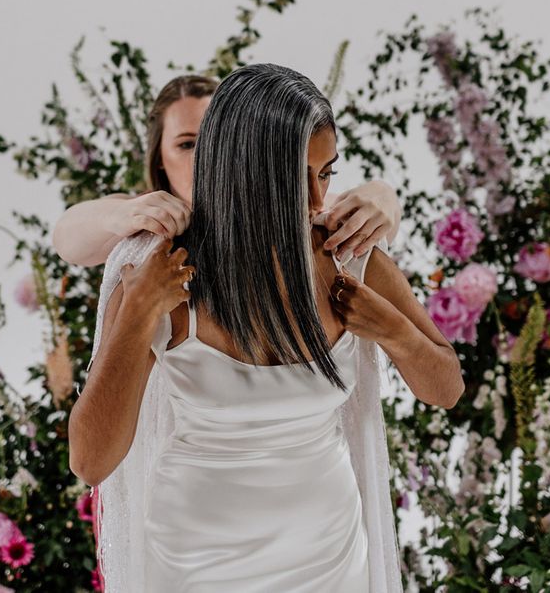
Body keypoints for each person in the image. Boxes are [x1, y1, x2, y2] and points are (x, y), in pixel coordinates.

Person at [68, 64, 464, 592]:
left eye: (326, 174)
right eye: (296, 178)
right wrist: (138, 312)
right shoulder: (163, 271)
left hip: (331, 560)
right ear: (242, 170)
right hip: (196, 568)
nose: (318, 202)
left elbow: (446, 388)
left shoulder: (349, 259)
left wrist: (392, 330)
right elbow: (91, 461)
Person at [52, 74, 403, 269]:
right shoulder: (142, 220)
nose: (205, 157)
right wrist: (119, 213)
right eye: (187, 145)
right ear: (159, 156)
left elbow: (369, 218)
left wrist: (382, 194)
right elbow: (68, 240)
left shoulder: (296, 205)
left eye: (213, 141)